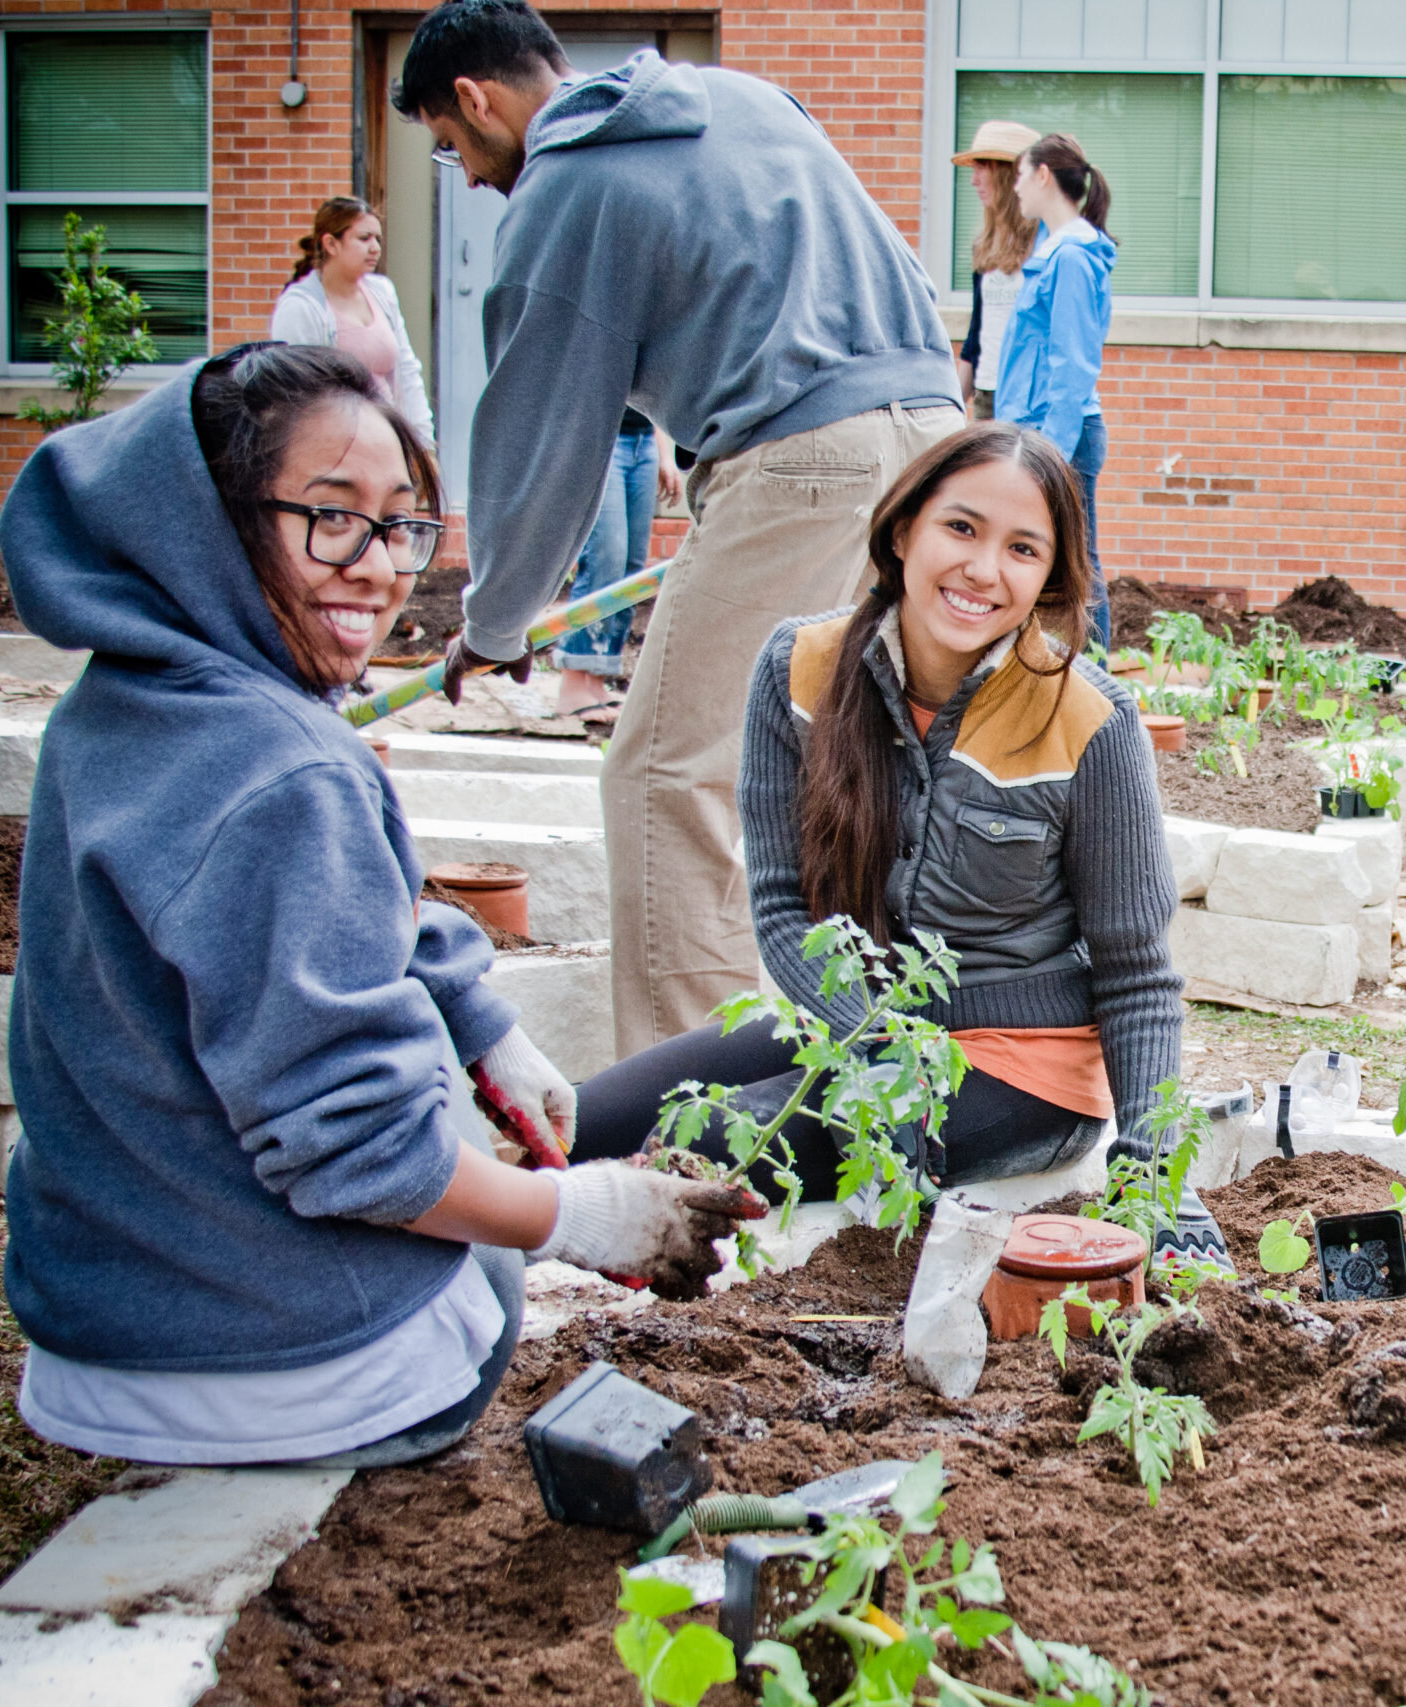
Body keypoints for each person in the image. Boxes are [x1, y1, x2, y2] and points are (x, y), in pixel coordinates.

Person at [0, 343, 756, 1468]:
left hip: (104, 1324)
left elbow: (348, 906)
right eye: (328, 517)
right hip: (264, 1375)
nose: (377, 567)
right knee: (483, 1260)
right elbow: (364, 1155)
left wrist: (483, 1021)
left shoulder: (125, 704)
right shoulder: (283, 769)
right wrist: (579, 1218)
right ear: (213, 519)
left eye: (400, 525)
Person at [392, 0, 964, 1055]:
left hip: (808, 459)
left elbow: (540, 437)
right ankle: (852, 1050)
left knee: (665, 771)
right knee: (825, 765)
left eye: (450, 144)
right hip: (932, 436)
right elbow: (897, 266)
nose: (467, 174)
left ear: (475, 96)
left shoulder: (566, 186)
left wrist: (500, 618)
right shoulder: (739, 99)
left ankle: (692, 1113)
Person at [566, 423, 1224, 1260]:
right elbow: (781, 905)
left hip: (1024, 1075)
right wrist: (878, 1045)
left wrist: (1151, 1170)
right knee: (582, 1122)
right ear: (903, 527)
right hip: (855, 1030)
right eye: (962, 527)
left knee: (710, 1147)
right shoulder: (798, 668)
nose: (984, 569)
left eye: (1023, 549)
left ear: (1050, 576)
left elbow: (1136, 972)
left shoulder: (1089, 719)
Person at [993, 132, 1115, 650]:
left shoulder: (1070, 258)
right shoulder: (1059, 251)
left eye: (1020, 176)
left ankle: (1098, 696)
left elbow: (1073, 365)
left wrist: (1049, 454)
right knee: (1056, 560)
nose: (1015, 189)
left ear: (1044, 176)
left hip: (1057, 434)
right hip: (1042, 431)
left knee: (1077, 567)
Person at [268, 196, 435, 448]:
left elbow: (408, 372)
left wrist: (424, 445)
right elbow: (294, 398)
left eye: (377, 239)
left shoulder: (383, 293)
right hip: (337, 451)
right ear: (331, 244)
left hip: (389, 444)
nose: (375, 248)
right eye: (364, 238)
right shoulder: (301, 307)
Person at [552, 408, 682, 719]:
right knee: (604, 558)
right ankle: (572, 686)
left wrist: (664, 453)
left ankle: (596, 681)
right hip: (602, 441)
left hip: (645, 441)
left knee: (630, 568)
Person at [952, 119, 1041, 422]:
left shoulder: (1045, 244)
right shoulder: (985, 245)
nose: (973, 180)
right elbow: (976, 334)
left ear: (1004, 173)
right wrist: (950, 405)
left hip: (1027, 396)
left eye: (980, 168)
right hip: (986, 395)